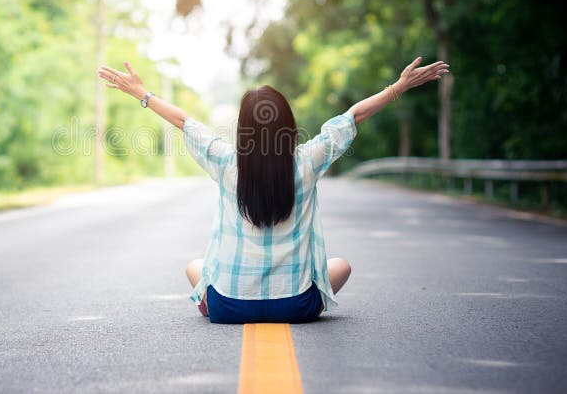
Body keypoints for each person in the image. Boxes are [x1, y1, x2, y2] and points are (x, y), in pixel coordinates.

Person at [97, 57, 448, 323]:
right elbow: (352, 118)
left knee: (194, 266)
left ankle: (220, 298)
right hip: (296, 306)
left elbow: (183, 121)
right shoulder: (308, 161)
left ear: (242, 129)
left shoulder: (224, 161)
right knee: (341, 267)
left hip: (228, 308)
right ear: (288, 125)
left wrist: (141, 94)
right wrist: (397, 87)